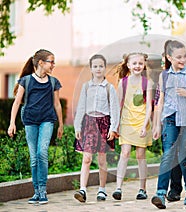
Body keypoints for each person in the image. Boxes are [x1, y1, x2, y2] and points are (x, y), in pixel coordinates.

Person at [7, 49, 63, 204]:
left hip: (47, 120)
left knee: (42, 152)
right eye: (51, 61)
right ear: (41, 63)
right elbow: (17, 102)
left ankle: (43, 190)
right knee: (34, 158)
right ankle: (36, 191)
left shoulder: (53, 82)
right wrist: (12, 123)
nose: (53, 65)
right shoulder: (26, 81)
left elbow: (57, 105)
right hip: (30, 121)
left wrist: (61, 125)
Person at [151, 40, 186, 209]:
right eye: (178, 57)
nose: (182, 59)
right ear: (169, 57)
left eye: (184, 56)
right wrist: (157, 125)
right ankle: (160, 193)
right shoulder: (164, 75)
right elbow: (160, 101)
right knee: (168, 155)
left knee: (183, 156)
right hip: (170, 119)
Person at [73, 54, 120, 202]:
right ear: (91, 68)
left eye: (101, 66)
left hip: (104, 124)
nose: (98, 69)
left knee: (101, 159)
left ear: (105, 68)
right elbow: (81, 106)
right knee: (86, 158)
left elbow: (115, 109)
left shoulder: (109, 88)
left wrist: (113, 128)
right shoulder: (86, 87)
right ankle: (83, 189)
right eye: (95, 66)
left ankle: (102, 189)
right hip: (89, 123)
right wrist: (77, 126)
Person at [112, 52, 153, 200]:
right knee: (125, 153)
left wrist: (145, 124)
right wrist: (115, 125)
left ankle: (142, 189)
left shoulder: (147, 83)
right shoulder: (123, 82)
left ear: (144, 65)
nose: (137, 66)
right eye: (134, 63)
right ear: (128, 65)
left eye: (140, 63)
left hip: (142, 122)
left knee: (140, 155)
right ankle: (118, 188)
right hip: (126, 122)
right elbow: (118, 105)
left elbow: (149, 106)